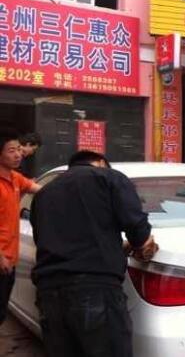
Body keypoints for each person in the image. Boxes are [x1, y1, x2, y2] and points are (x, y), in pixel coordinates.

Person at [30, 150, 158, 357]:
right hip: (95, 289)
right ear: (100, 162)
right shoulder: (108, 177)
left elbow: (48, 240)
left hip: (49, 294)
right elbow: (138, 230)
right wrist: (142, 244)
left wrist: (119, 246)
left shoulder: (44, 193)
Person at [0, 129, 41, 325]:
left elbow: (40, 190)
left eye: (18, 149)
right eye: (11, 150)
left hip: (10, 259)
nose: (18, 154)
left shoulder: (16, 178)